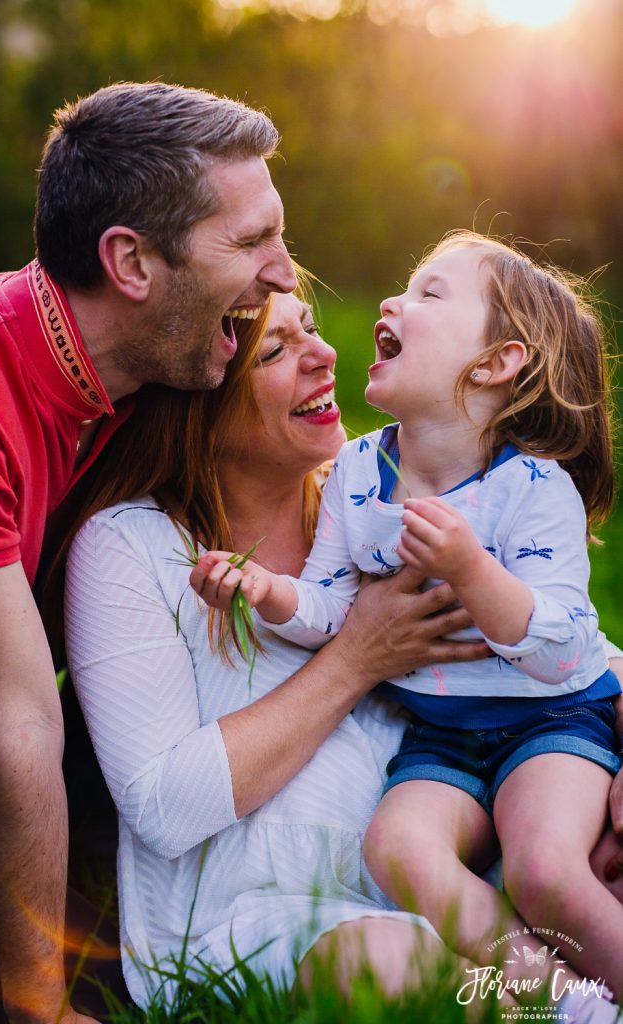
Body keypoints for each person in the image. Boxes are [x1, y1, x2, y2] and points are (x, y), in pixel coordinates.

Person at [0, 80, 297, 1024]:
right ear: (131, 262)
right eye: (253, 241)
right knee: (54, 976)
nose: (285, 274)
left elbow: (357, 517)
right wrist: (40, 1009)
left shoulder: (152, 371)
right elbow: (20, 726)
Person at [192, 232, 623, 1014]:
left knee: (545, 871)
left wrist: (472, 570)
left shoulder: (532, 486)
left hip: (550, 719)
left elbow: (563, 648)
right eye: (405, 285)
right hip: (440, 734)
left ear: (494, 364)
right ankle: (561, 1000)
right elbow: (332, 609)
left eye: (429, 295)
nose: (392, 302)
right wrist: (269, 591)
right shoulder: (358, 473)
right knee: (395, 849)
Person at [63, 288, 504, 1011]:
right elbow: (164, 804)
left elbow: (548, 630)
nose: (324, 356)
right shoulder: (133, 547)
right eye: (275, 350)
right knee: (394, 963)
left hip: (443, 875)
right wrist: (357, 656)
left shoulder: (379, 511)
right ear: (199, 403)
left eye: (312, 331)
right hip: (247, 919)